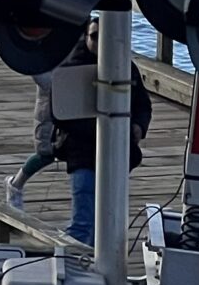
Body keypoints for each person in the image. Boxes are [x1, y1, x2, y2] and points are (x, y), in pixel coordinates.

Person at [51, 22, 151, 248]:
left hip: (117, 155)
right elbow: (58, 114)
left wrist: (138, 126)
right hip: (83, 155)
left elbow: (143, 105)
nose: (99, 42)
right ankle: (66, 266)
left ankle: (99, 270)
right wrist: (102, 128)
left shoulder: (126, 67)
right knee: (83, 223)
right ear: (85, 38)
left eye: (105, 36)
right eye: (94, 36)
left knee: (109, 221)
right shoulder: (71, 70)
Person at [6, 69, 62, 212]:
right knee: (46, 154)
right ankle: (15, 185)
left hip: (79, 107)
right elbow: (36, 71)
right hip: (50, 110)